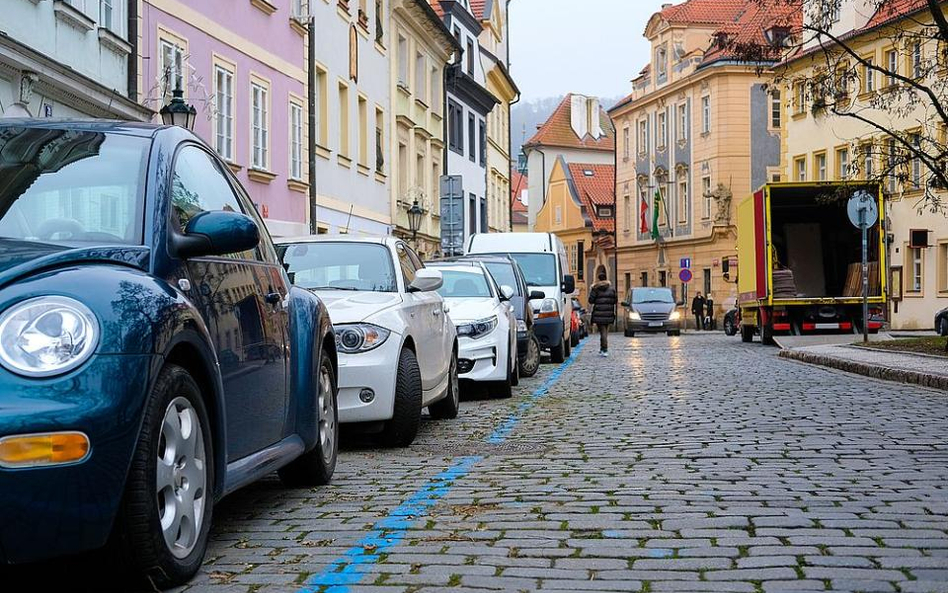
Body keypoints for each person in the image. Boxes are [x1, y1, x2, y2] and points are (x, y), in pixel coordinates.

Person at [588, 270, 617, 357]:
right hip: (609, 313)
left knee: (602, 332)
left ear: (599, 279)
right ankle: (602, 348)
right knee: (605, 331)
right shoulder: (611, 289)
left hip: (599, 313)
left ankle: (604, 349)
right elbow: (615, 300)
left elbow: (591, 300)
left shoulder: (595, 289)